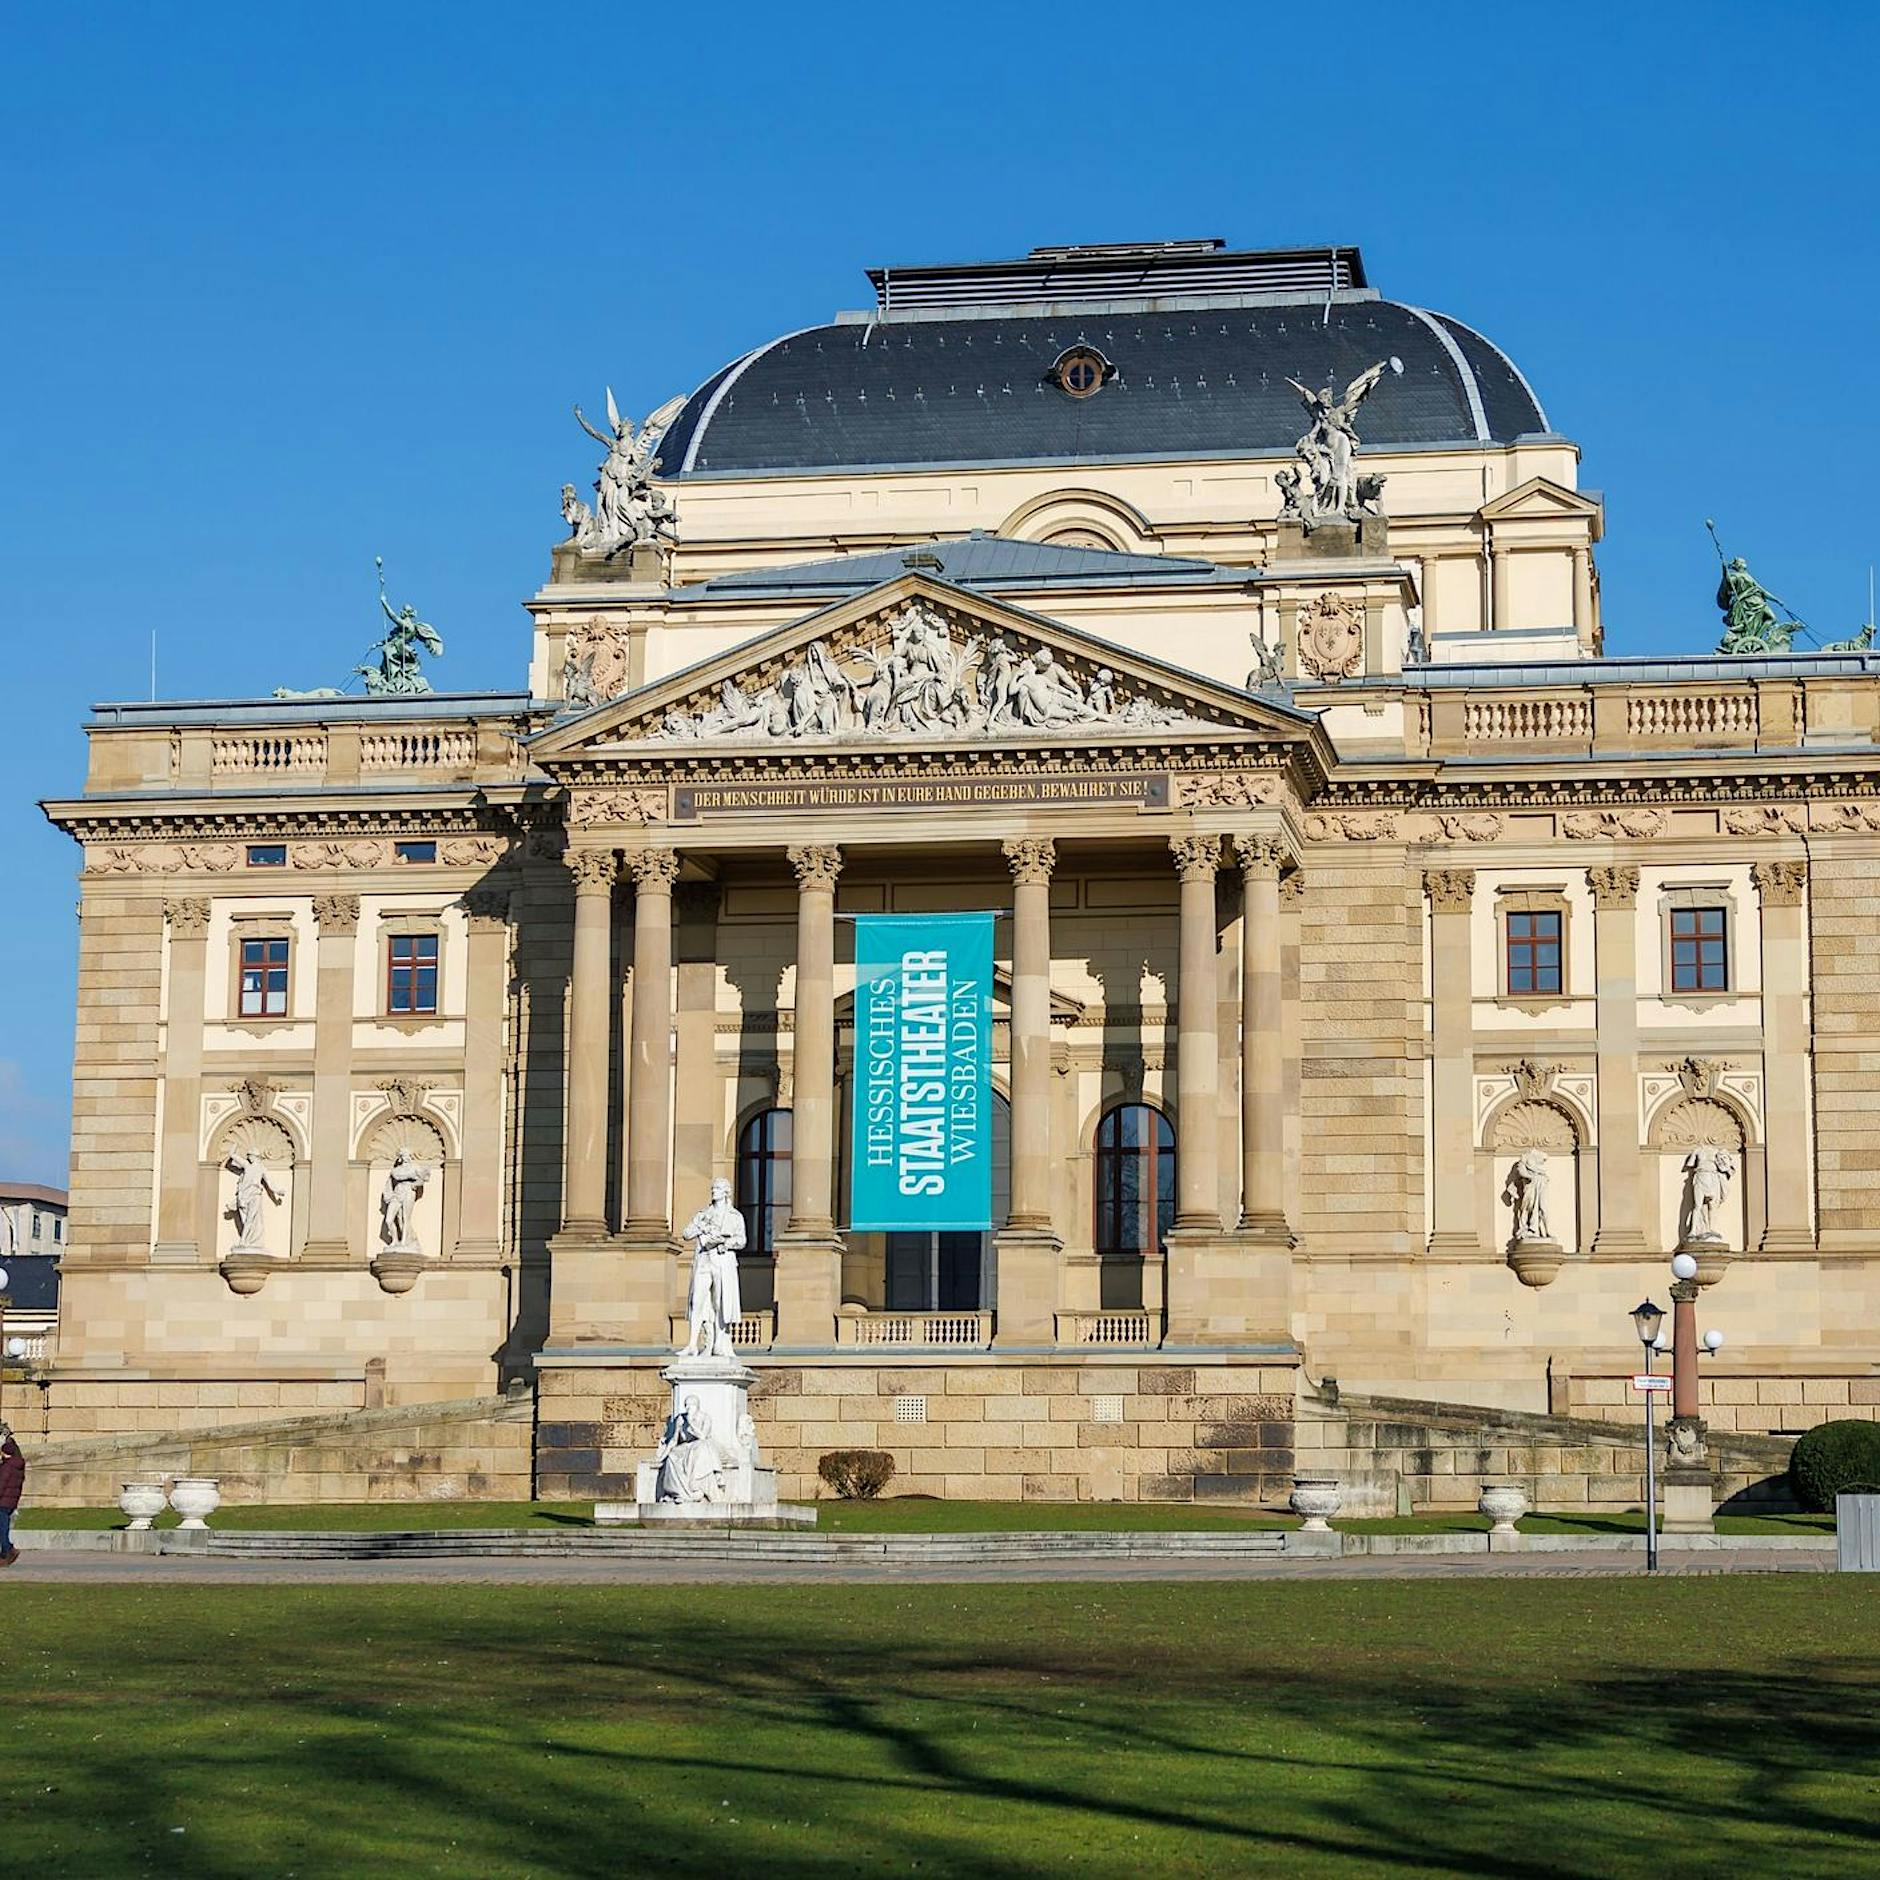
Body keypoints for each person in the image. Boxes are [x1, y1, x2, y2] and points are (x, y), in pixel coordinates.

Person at [0, 1422, 23, 1566]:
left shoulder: (7, 1467)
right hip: (10, 1502)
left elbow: (1, 1485)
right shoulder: (17, 1465)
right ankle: (6, 1552)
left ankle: (8, 1551)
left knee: (2, 1529)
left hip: (2, 1502)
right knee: (3, 1527)